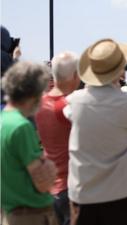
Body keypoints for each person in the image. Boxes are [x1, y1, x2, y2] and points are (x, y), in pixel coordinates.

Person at [64, 38, 127, 225]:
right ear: (119, 71)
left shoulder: (74, 102)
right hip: (122, 195)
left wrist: (95, 80)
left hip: (83, 195)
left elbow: (73, 107)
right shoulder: (126, 103)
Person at [0, 61, 58, 225]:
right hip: (31, 215)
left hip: (9, 212)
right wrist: (49, 167)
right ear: (33, 94)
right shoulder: (21, 127)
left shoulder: (3, 120)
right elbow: (42, 183)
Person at [35, 52, 81, 225]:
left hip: (49, 186)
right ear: (75, 75)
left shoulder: (40, 103)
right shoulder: (69, 106)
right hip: (70, 187)